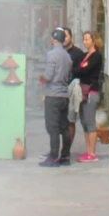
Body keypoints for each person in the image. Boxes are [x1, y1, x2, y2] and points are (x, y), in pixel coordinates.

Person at [39, 27, 73, 166]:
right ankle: (65, 156)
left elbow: (48, 76)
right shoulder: (67, 55)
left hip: (53, 95)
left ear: (53, 39)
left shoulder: (52, 54)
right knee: (64, 127)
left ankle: (53, 157)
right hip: (64, 95)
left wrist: (41, 77)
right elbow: (69, 76)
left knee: (52, 127)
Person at [74, 30, 104, 162]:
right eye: (84, 39)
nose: (84, 42)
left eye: (87, 39)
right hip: (82, 92)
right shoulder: (84, 55)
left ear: (94, 41)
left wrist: (82, 69)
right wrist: (82, 69)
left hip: (91, 91)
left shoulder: (96, 56)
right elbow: (75, 71)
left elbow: (86, 71)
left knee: (90, 122)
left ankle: (92, 153)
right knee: (84, 122)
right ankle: (88, 150)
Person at [63, 28, 85, 146]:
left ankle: (67, 148)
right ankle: (58, 148)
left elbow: (82, 71)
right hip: (60, 90)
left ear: (71, 37)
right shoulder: (58, 52)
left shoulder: (78, 53)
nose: (64, 39)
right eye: (62, 36)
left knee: (70, 120)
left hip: (72, 89)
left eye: (66, 36)